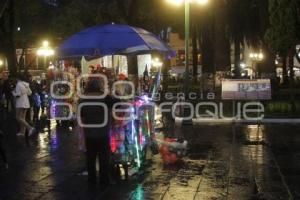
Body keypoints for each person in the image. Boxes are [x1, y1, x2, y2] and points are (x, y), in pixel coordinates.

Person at [78, 78, 118, 187]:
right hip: (103, 133)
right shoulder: (105, 98)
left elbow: (81, 118)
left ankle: (92, 180)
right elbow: (118, 104)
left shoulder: (82, 99)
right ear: (99, 86)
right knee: (104, 158)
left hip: (89, 133)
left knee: (90, 158)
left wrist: (82, 136)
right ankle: (104, 180)